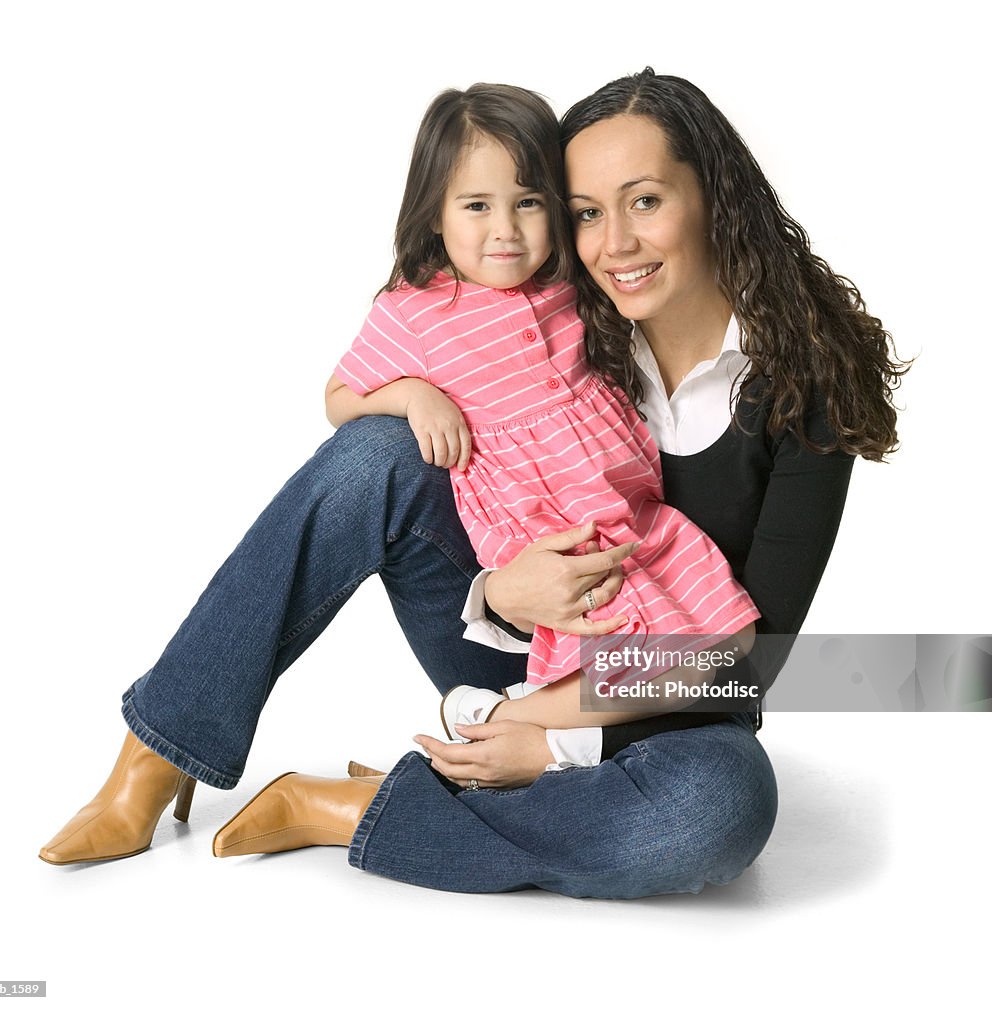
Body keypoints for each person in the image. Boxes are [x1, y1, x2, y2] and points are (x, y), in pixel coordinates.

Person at [39, 69, 906, 899]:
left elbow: (753, 661)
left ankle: (346, 809)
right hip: (511, 643)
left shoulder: (806, 381)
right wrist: (498, 593)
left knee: (718, 814)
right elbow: (366, 389)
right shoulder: (567, 306)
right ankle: (156, 753)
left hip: (670, 704)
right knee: (379, 450)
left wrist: (553, 740)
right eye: (586, 214)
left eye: (646, 201)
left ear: (712, 194)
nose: (616, 245)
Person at [325, 83, 759, 742]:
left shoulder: (570, 286)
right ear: (434, 215)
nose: (505, 230)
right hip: (546, 545)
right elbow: (339, 397)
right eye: (476, 206)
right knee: (624, 665)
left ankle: (499, 723)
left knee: (736, 638)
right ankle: (515, 727)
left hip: (634, 525)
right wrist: (415, 395)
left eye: (528, 203)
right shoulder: (412, 311)